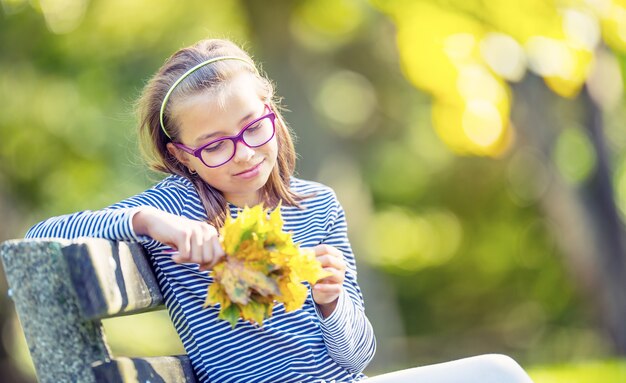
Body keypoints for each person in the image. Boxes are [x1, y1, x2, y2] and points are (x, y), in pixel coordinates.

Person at [25, 38, 534, 383]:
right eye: (216, 146)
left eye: (252, 127)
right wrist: (149, 222)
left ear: (271, 110)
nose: (245, 153)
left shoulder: (317, 205)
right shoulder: (175, 207)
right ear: (182, 155)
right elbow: (43, 233)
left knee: (499, 373)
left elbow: (356, 357)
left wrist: (334, 305)